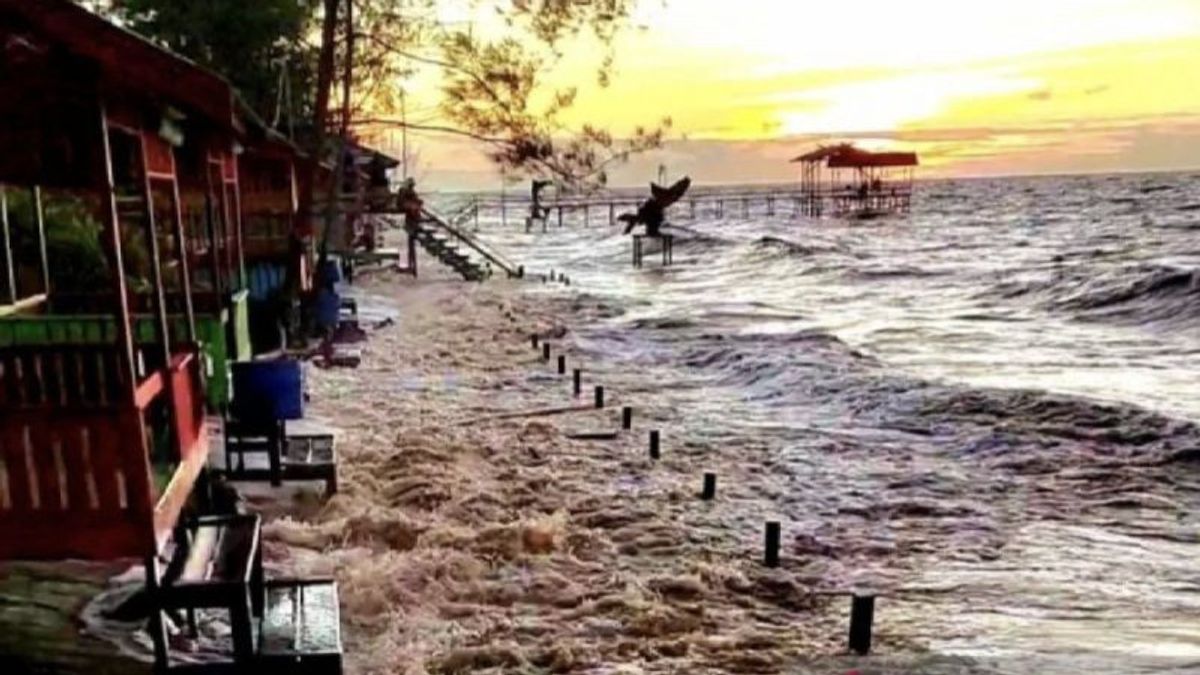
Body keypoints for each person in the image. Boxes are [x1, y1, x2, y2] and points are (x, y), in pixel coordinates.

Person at [618, 176, 691, 238]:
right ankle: (628, 225)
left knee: (646, 221)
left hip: (652, 210)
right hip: (650, 209)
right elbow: (661, 192)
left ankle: (629, 226)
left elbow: (666, 193)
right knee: (647, 221)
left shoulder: (675, 194)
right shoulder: (671, 193)